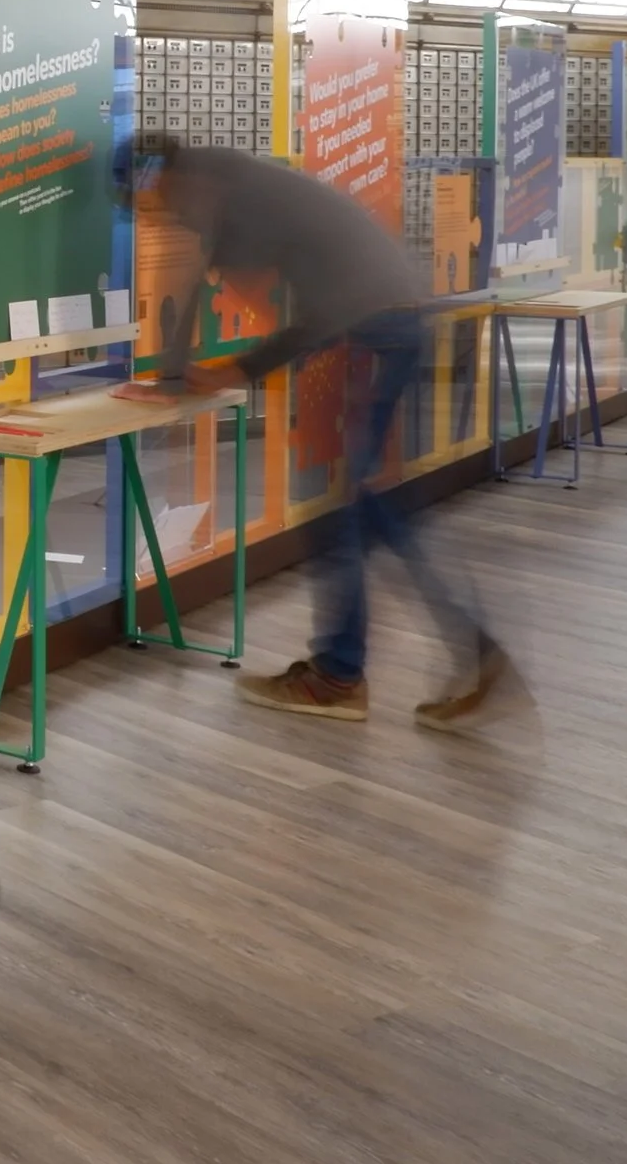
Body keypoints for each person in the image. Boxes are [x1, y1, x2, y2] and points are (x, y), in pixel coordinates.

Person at [113, 132, 515, 728]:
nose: (151, 215)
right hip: (385, 324)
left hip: (373, 331)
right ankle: (457, 650)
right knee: (371, 509)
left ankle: (338, 677)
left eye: (145, 202)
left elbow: (308, 309)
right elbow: (215, 286)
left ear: (157, 177)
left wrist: (230, 370)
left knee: (338, 512)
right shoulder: (232, 182)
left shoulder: (226, 196)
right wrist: (177, 377)